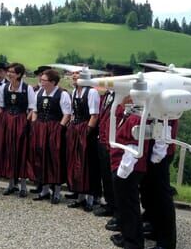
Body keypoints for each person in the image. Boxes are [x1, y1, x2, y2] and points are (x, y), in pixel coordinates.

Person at [109, 97, 151, 249]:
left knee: (129, 206)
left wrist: (123, 171)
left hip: (127, 168)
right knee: (125, 205)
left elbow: (133, 146)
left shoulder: (136, 118)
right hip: (123, 166)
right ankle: (127, 237)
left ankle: (134, 247)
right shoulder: (132, 115)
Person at [94, 64, 134, 218]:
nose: (108, 79)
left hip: (115, 143)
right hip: (104, 139)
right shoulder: (108, 94)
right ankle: (110, 204)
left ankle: (119, 211)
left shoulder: (127, 97)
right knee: (106, 176)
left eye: (111, 76)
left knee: (115, 179)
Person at [0, 63, 36, 197]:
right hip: (6, 123)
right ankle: (11, 184)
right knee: (8, 151)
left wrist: (25, 122)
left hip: (21, 123)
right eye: (9, 71)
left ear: (19, 74)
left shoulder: (27, 89)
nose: (9, 74)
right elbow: (0, 106)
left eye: (12, 72)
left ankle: (23, 186)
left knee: (21, 152)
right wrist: (2, 121)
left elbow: (33, 108)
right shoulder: (4, 88)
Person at [30, 69, 71, 204]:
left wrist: (59, 128)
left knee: (54, 159)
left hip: (54, 129)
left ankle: (57, 192)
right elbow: (35, 111)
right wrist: (35, 124)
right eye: (41, 80)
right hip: (41, 128)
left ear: (53, 82)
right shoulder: (39, 93)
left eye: (44, 81)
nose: (41, 83)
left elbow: (66, 114)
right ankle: (45, 190)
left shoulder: (62, 94)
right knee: (41, 158)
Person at [140, 120, 179, 249]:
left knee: (162, 196)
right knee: (152, 192)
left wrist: (158, 152)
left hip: (161, 148)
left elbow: (166, 121)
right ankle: (156, 229)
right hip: (155, 146)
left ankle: (167, 243)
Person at [65, 70, 100, 212]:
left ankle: (91, 199)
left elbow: (95, 115)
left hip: (87, 131)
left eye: (77, 77)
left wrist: (86, 132)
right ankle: (80, 197)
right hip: (76, 129)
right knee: (77, 162)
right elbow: (74, 113)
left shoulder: (91, 93)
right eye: (73, 77)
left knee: (88, 163)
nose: (74, 79)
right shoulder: (74, 92)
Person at [29, 65, 52, 195]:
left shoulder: (60, 92)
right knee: (37, 155)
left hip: (50, 127)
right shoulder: (35, 90)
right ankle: (39, 184)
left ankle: (51, 186)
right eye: (40, 75)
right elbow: (32, 109)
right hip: (37, 125)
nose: (41, 77)